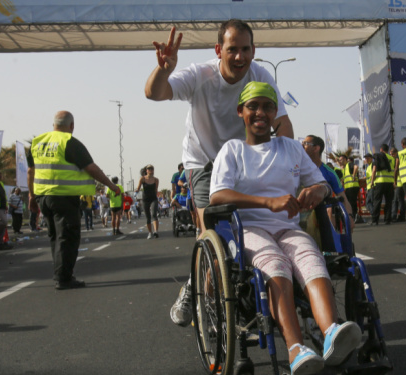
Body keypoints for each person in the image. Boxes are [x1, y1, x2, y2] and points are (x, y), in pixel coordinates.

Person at [145, 19, 294, 327]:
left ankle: (234, 285)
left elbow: (282, 122)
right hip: (203, 161)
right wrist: (165, 68)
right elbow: (154, 94)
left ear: (254, 51)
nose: (239, 57)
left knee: (244, 228)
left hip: (243, 159)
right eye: (232, 50)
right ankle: (195, 291)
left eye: (245, 50)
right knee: (210, 231)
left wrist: (290, 164)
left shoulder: (261, 74)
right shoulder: (201, 75)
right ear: (218, 50)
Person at [210, 82, 361, 374]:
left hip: (287, 228)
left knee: (309, 254)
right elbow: (218, 195)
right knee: (274, 262)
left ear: (275, 112)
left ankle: (331, 332)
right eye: (253, 106)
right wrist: (268, 202)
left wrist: (317, 192)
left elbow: (320, 183)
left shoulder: (291, 148)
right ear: (240, 111)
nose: (260, 113)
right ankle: (295, 349)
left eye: (267, 107)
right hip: (249, 228)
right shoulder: (232, 150)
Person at [27, 110, 121, 290]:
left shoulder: (37, 142)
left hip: (43, 198)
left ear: (53, 124)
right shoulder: (70, 142)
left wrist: (31, 196)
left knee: (55, 237)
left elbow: (30, 172)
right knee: (68, 237)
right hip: (64, 197)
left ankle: (59, 273)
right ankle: (64, 278)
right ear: (71, 126)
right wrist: (111, 185)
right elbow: (92, 168)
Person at [301, 135, 355, 226]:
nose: (302, 146)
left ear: (316, 148)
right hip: (299, 213)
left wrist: (349, 216)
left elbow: (343, 197)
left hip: (321, 214)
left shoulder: (330, 173)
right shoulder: (296, 168)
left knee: (329, 210)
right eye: (302, 143)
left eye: (306, 143)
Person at [369, 144, 395, 226]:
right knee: (389, 202)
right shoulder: (392, 158)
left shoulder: (378, 157)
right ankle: (387, 220)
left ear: (381, 149)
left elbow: (374, 171)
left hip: (380, 182)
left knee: (377, 201)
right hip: (389, 182)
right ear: (387, 150)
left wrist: (372, 181)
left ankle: (375, 220)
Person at [136, 165, 160, 239]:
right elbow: (138, 188)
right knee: (148, 217)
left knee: (154, 214)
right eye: (149, 169)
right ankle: (150, 232)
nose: (151, 170)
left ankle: (155, 231)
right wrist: (136, 191)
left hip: (153, 199)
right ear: (146, 170)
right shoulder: (142, 179)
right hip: (145, 199)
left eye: (152, 169)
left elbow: (156, 190)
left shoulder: (156, 180)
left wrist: (157, 199)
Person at [389, 147, 406, 223]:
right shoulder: (399, 158)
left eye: (392, 154)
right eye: (390, 154)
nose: (391, 155)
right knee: (398, 200)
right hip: (402, 182)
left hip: (399, 183)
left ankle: (397, 216)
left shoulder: (397, 159)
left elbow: (396, 170)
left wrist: (395, 182)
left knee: (398, 200)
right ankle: (398, 216)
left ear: (396, 153)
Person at [362, 153, 375, 223]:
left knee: (369, 202)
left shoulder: (372, 165)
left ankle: (374, 215)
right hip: (369, 186)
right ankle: (374, 215)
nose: (366, 160)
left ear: (371, 158)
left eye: (367, 158)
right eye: (365, 158)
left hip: (372, 186)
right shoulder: (368, 167)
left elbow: (373, 174)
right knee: (370, 202)